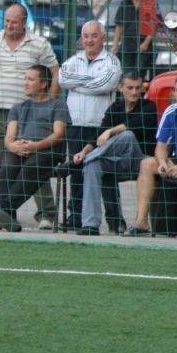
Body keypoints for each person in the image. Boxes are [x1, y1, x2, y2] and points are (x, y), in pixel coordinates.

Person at [0, 4, 60, 229]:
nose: (9, 26)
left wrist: (47, 105)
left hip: (28, 112)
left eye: (14, 22)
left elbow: (55, 73)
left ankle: (46, 213)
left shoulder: (39, 44)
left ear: (24, 22)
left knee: (33, 162)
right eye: (6, 21)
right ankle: (0, 213)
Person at [71, 72, 158, 236]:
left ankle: (91, 157)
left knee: (127, 135)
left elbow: (135, 124)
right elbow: (98, 134)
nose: (134, 92)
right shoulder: (115, 107)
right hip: (117, 159)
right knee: (92, 165)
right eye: (130, 88)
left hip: (140, 160)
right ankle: (90, 224)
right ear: (121, 88)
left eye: (137, 88)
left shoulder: (149, 106)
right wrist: (83, 153)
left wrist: (111, 131)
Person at [124, 75, 177, 237]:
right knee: (147, 164)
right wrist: (163, 162)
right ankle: (141, 222)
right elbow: (161, 146)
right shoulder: (171, 111)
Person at [57, 20, 122, 229]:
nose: (89, 40)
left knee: (105, 173)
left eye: (94, 36)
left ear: (103, 38)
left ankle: (114, 220)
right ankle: (75, 216)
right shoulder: (73, 60)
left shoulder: (112, 62)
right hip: (76, 124)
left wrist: (78, 85)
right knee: (76, 171)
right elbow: (62, 79)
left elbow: (106, 84)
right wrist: (91, 80)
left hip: (100, 125)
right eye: (86, 36)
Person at [0, 65, 69, 232]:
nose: (25, 83)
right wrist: (12, 146)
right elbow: (9, 135)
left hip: (46, 150)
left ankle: (2, 209)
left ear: (43, 84)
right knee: (8, 166)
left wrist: (36, 146)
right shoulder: (18, 108)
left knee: (32, 167)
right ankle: (8, 217)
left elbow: (58, 134)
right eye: (25, 78)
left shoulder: (57, 106)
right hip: (20, 148)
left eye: (30, 79)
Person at [111, 0, 161, 80]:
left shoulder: (150, 2)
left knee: (139, 73)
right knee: (126, 73)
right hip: (127, 42)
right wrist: (115, 45)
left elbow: (154, 24)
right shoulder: (124, 4)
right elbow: (119, 26)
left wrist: (146, 43)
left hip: (143, 41)